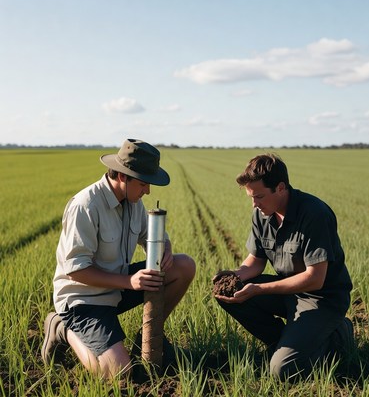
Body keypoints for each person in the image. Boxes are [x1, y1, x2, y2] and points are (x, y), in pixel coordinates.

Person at [41, 139, 196, 379]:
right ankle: (61, 328)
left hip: (117, 286)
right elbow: (76, 271)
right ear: (123, 177)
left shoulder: (133, 202)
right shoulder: (86, 206)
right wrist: (130, 282)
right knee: (118, 373)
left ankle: (147, 336)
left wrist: (165, 247)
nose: (148, 191)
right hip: (83, 299)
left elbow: (152, 236)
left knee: (183, 265)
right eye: (144, 184)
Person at [213, 153, 353, 381]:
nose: (254, 204)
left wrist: (259, 290)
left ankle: (338, 335)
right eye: (251, 197)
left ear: (280, 187)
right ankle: (283, 341)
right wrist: (233, 276)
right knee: (226, 292)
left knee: (282, 371)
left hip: (321, 299)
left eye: (258, 196)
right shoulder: (261, 213)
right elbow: (256, 262)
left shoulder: (314, 214)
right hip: (287, 292)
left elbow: (315, 279)